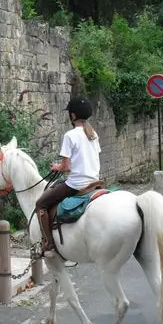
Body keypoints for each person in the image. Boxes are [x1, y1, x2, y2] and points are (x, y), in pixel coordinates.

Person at [36, 97, 102, 256]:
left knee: (41, 204)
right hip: (95, 182)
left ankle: (48, 244)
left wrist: (56, 166)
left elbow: (66, 167)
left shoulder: (70, 135)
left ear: (73, 116)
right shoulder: (93, 134)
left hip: (77, 185)